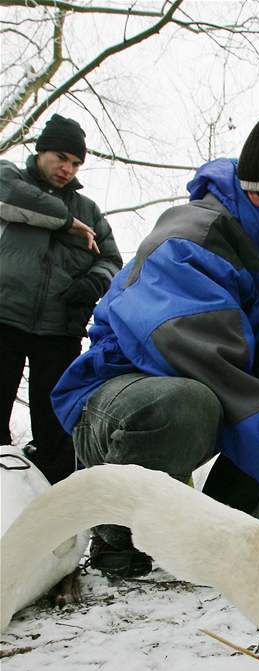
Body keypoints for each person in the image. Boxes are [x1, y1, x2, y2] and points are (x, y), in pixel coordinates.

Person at [51, 107, 259, 578]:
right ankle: (119, 531)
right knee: (185, 402)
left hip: (210, 395)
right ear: (258, 193)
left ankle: (233, 516)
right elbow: (219, 377)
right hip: (117, 402)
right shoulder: (189, 244)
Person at [0, 114, 121, 484]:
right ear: (40, 152)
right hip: (4, 317)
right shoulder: (11, 179)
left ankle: (51, 502)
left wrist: (92, 284)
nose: (67, 169)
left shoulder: (90, 211)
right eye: (61, 158)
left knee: (57, 426)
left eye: (76, 163)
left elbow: (113, 260)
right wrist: (65, 222)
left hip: (60, 327)